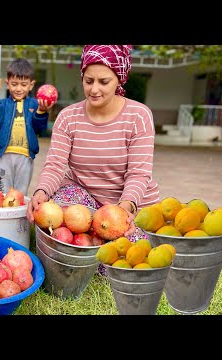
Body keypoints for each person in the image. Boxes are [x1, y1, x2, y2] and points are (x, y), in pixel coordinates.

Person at [26, 45, 160, 274]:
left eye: (104, 82)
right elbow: (56, 164)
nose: (94, 89)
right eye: (89, 81)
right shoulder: (69, 117)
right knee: (59, 227)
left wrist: (125, 209)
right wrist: (41, 193)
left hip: (128, 205)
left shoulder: (139, 116)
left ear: (119, 79)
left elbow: (139, 173)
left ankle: (95, 245)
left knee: (127, 263)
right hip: (85, 199)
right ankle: (86, 241)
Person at [0, 58, 54, 196]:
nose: (18, 88)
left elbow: (39, 128)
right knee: (3, 191)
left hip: (25, 156)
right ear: (7, 84)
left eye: (23, 84)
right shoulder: (2, 104)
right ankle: (4, 216)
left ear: (31, 85)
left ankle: (20, 216)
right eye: (14, 84)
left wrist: (42, 111)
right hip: (5, 155)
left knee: (21, 192)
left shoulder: (35, 104)